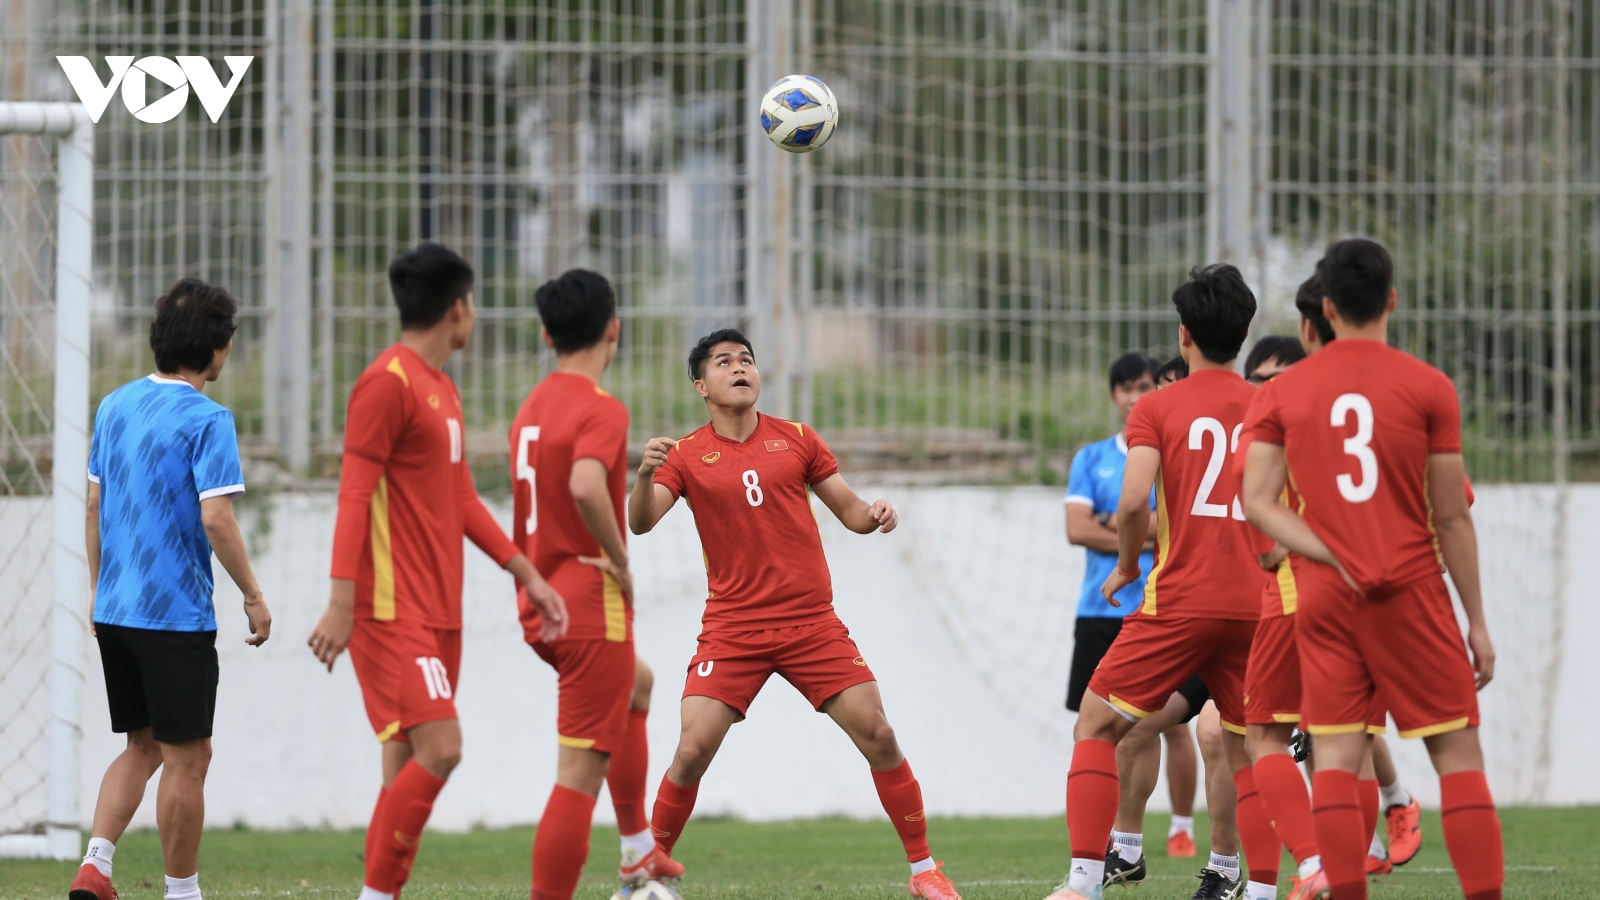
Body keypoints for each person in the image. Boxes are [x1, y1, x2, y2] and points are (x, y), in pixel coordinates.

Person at [629, 328, 963, 900]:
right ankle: (641, 878)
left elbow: (851, 513)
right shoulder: (684, 455)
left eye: (747, 360)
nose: (740, 368)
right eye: (725, 362)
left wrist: (875, 512)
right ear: (700, 385)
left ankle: (925, 871)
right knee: (690, 750)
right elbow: (640, 522)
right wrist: (641, 475)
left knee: (879, 733)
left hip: (811, 624)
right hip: (733, 629)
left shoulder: (799, 439)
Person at [1242, 239, 1503, 900]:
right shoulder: (1428, 387)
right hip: (1412, 588)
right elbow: (1451, 516)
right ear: (1390, 300)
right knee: (1457, 755)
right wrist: (1476, 621)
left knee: (1332, 756)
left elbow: (1257, 502)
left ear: (1325, 308)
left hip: (1326, 596)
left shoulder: (1284, 391)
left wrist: (1326, 551)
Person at [307, 244, 568, 900]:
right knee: (443, 746)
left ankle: (382, 893)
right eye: (472, 302)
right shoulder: (385, 384)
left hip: (438, 611)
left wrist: (526, 573)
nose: (473, 314)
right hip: (390, 612)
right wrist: (342, 601)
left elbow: (460, 499)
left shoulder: (441, 387)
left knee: (400, 768)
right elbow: (353, 493)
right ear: (458, 309)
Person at [1045, 264, 1271, 900]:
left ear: (1183, 336)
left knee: (1094, 724)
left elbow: (1136, 496)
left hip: (1181, 598)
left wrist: (1124, 564)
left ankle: (1087, 879)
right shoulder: (1269, 404)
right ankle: (1260, 890)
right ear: (1245, 333)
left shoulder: (1158, 407)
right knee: (1252, 748)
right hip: (1254, 603)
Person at [70, 278, 274, 900]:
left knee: (143, 744)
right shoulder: (208, 420)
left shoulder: (114, 406)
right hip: (173, 618)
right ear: (216, 348)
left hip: (115, 608)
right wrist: (253, 595)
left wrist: (100, 591)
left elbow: (94, 504)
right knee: (190, 756)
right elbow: (217, 518)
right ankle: (182, 894)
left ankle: (95, 868)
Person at [508, 269, 681, 900]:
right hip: (586, 602)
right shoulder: (601, 407)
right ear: (614, 329)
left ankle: (639, 852)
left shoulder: (530, 407)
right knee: (579, 772)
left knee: (640, 684)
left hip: (539, 597)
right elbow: (585, 484)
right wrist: (620, 558)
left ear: (548, 334)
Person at [1063, 353, 1202, 860]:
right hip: (1099, 610)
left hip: (1163, 606)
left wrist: (1125, 529)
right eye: (1126, 387)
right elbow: (1076, 528)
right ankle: (1117, 838)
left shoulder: (1182, 448)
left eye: (1146, 385)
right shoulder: (1092, 458)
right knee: (1099, 725)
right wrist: (1140, 530)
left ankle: (1181, 826)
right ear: (1113, 394)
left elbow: (1164, 521)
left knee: (1174, 725)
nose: (1136, 395)